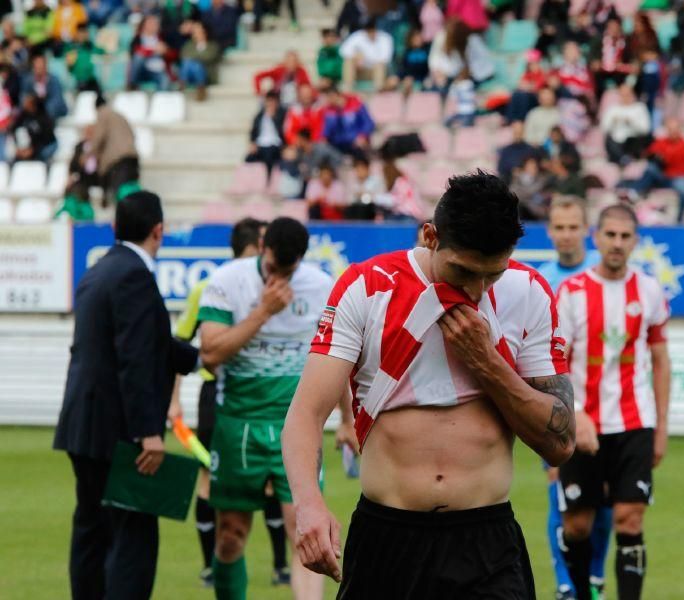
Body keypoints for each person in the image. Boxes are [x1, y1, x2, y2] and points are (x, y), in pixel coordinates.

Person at [282, 171, 575, 598]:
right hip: (387, 540)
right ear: (430, 236)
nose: (475, 291)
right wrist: (308, 505)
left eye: (491, 275)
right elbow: (306, 414)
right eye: (463, 271)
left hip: (486, 546)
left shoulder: (528, 292)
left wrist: (487, 362)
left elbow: (560, 442)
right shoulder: (367, 287)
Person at [54, 191, 199, 600]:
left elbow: (141, 340)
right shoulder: (136, 275)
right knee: (133, 535)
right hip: (120, 430)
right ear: (159, 230)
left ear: (116, 227)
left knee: (91, 531)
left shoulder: (98, 270)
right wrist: (147, 432)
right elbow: (134, 357)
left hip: (82, 426)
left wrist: (198, 358)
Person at [198, 217, 349, 600]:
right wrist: (262, 312)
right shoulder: (227, 280)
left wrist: (348, 419)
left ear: (301, 259)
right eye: (271, 269)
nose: (278, 278)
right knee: (230, 535)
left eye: (288, 271)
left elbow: (340, 356)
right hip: (238, 425)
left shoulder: (320, 286)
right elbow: (211, 356)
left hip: (296, 426)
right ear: (262, 245)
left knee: (307, 530)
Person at [172, 218, 299, 587]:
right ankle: (212, 563)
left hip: (272, 398)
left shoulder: (294, 289)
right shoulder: (210, 288)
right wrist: (174, 401)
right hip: (220, 396)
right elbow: (183, 348)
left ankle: (280, 564)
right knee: (208, 480)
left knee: (279, 486)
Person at [556, 203, 671, 600]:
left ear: (635, 241)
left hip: (635, 421)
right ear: (596, 237)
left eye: (625, 236)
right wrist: (573, 413)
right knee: (577, 526)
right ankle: (583, 594)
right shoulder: (571, 293)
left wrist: (661, 428)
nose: (617, 243)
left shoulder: (650, 290)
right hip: (583, 423)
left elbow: (659, 359)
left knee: (629, 519)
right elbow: (556, 362)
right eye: (611, 235)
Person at [538, 197, 611, 600]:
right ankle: (567, 583)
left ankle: (595, 577)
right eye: (559, 227)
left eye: (573, 227)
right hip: (559, 402)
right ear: (550, 231)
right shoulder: (542, 279)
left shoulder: (603, 277)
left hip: (610, 405)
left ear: (587, 230)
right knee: (559, 489)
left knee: (604, 498)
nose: (566, 234)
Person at [616, 118, 684, 223]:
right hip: (664, 176)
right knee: (650, 169)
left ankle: (680, 219)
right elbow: (649, 153)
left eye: (675, 129)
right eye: (670, 129)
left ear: (679, 130)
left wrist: (659, 156)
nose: (673, 132)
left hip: (678, 177)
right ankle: (635, 193)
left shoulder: (683, 144)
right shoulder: (662, 141)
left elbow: (668, 158)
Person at [90, 94, 139, 206]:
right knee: (131, 191)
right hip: (132, 157)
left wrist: (89, 154)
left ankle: (125, 217)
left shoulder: (103, 114)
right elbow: (132, 134)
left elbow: (98, 138)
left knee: (121, 194)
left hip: (118, 161)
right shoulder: (119, 115)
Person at [601, 84, 651, 165]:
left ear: (633, 94)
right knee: (609, 140)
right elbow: (604, 128)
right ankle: (623, 158)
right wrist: (613, 122)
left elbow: (646, 129)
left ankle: (624, 159)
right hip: (616, 142)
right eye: (622, 95)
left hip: (633, 140)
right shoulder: (612, 109)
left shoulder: (640, 107)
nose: (625, 97)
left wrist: (631, 123)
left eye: (628, 94)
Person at [339, 18, 393, 92]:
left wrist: (363, 59)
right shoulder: (358, 36)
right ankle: (348, 89)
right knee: (348, 61)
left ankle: (378, 90)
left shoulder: (385, 38)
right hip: (360, 71)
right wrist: (356, 57)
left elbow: (385, 59)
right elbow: (343, 51)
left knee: (379, 65)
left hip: (377, 71)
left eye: (372, 30)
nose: (371, 33)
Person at [321, 88, 375, 157]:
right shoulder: (329, 111)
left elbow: (368, 123)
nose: (329, 100)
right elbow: (326, 131)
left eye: (331, 97)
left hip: (356, 142)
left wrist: (363, 136)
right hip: (337, 143)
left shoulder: (356, 105)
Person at [246, 91, 286, 179]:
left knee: (269, 154)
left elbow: (283, 132)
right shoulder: (259, 116)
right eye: (269, 101)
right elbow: (253, 131)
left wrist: (273, 118)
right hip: (261, 144)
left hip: (276, 144)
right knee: (249, 158)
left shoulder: (282, 115)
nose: (271, 104)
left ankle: (268, 180)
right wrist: (252, 142)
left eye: (273, 101)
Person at [179, 21, 220, 102]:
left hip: (207, 75)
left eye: (197, 30)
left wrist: (194, 58)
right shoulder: (188, 45)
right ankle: (185, 85)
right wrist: (197, 58)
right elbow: (184, 56)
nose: (195, 33)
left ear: (204, 32)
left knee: (196, 65)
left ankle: (197, 87)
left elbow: (209, 57)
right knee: (188, 63)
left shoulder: (212, 45)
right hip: (190, 74)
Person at [20, 54, 68, 120]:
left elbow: (57, 100)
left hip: (52, 113)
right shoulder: (28, 80)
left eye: (41, 67)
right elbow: (23, 97)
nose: (39, 69)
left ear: (45, 67)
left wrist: (42, 108)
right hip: (35, 113)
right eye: (36, 67)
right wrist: (29, 102)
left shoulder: (53, 80)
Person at [12, 93, 58, 163]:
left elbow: (46, 138)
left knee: (43, 154)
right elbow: (15, 129)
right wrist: (19, 148)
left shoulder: (44, 118)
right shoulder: (23, 115)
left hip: (45, 145)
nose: (24, 103)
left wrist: (33, 150)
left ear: (33, 104)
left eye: (27, 102)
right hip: (27, 146)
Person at [65, 23, 103, 94]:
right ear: (77, 34)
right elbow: (69, 66)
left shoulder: (91, 47)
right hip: (79, 81)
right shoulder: (71, 49)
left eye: (85, 32)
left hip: (92, 80)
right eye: (81, 33)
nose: (83, 35)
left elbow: (102, 52)